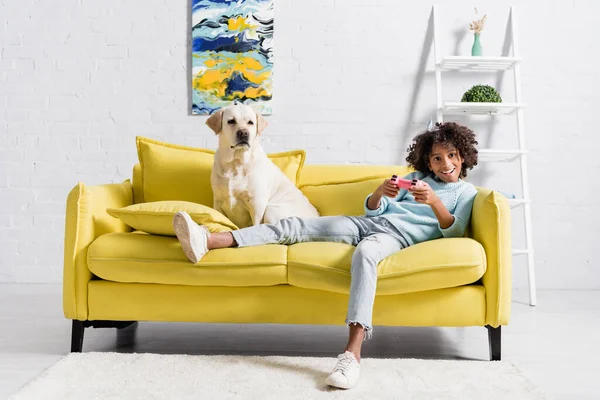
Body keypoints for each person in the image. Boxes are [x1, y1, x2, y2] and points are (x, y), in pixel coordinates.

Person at [172, 122, 479, 390]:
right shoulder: (414, 178)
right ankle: (209, 240)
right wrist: (378, 192)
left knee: (365, 255)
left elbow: (453, 231)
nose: (444, 163)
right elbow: (372, 209)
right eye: (437, 158)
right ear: (428, 159)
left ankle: (351, 356)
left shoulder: (466, 193)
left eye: (451, 156)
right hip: (365, 223)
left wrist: (435, 201)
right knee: (293, 226)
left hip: (394, 237)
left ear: (462, 157)